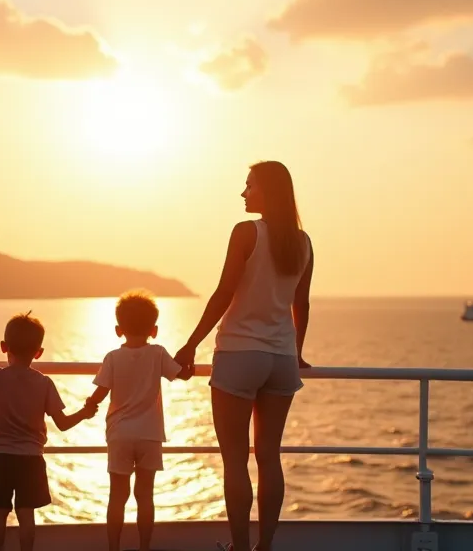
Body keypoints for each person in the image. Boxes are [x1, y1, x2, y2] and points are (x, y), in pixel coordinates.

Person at [173, 161, 314, 551]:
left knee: (235, 461)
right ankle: (264, 547)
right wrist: (297, 352)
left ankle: (239, 547)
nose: (243, 193)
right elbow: (300, 304)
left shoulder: (246, 233)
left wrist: (189, 345)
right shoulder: (303, 243)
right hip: (281, 360)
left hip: (239, 354)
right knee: (269, 458)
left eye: (249, 185)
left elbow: (223, 293)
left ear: (267, 190)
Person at [0, 313, 97, 551]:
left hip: (0, 457)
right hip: (31, 459)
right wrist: (85, 412)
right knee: (26, 515)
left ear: (4, 347)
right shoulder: (44, 383)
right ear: (39, 352)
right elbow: (63, 423)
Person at [81, 291, 193, 551]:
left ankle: (113, 548)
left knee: (117, 497)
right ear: (154, 330)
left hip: (120, 434)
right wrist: (190, 365)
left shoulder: (112, 357)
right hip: (149, 434)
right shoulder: (158, 353)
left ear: (118, 329)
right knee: (145, 497)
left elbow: (101, 391)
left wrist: (89, 404)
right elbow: (181, 375)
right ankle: (144, 547)